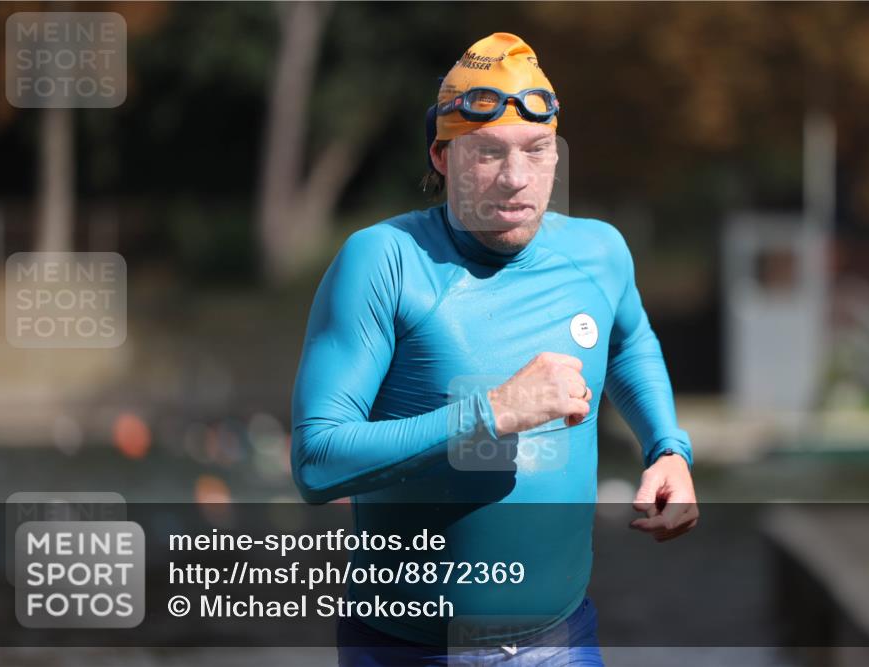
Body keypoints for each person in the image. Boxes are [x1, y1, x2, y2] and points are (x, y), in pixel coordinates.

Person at [291, 32, 698, 666]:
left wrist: (667, 447)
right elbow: (317, 461)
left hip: (560, 643)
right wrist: (493, 413)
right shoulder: (384, 262)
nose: (515, 179)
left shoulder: (599, 253)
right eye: (486, 153)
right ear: (443, 156)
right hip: (410, 652)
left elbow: (629, 342)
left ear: (556, 157)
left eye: (536, 151)